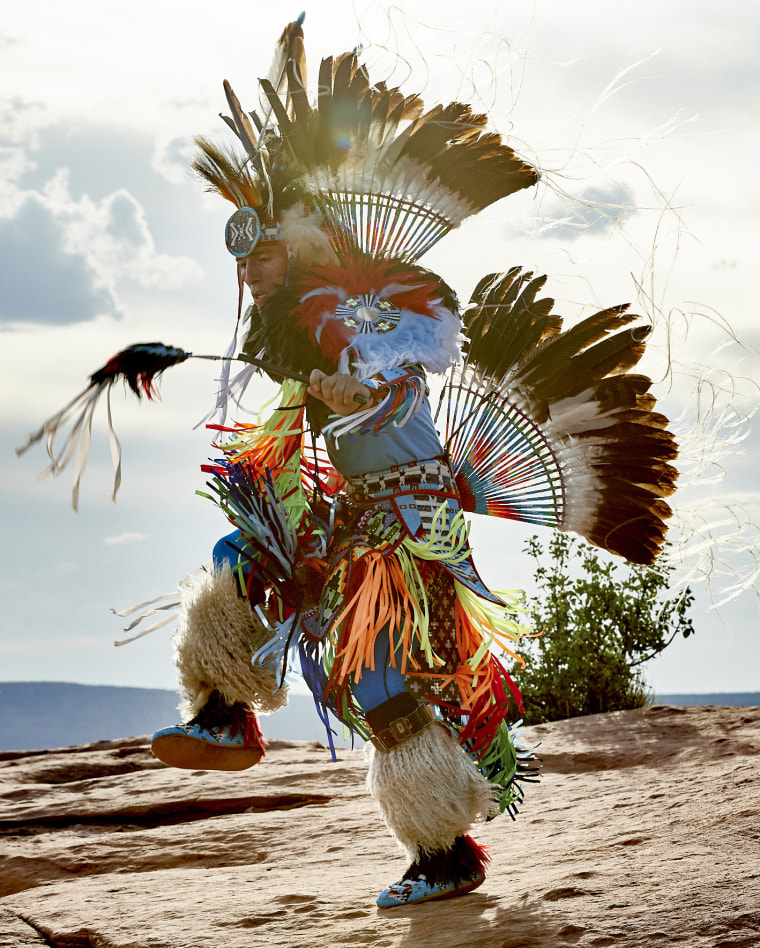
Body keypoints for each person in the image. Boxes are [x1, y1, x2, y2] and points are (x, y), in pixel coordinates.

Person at [21, 18, 678, 910]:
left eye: (259, 249)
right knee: (234, 560)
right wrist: (304, 409)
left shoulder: (364, 311)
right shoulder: (298, 321)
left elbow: (402, 370)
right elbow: (302, 421)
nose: (248, 268)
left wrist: (352, 389)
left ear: (297, 240)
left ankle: (445, 851)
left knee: (376, 683)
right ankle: (225, 715)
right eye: (238, 255)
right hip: (349, 517)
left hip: (409, 532)